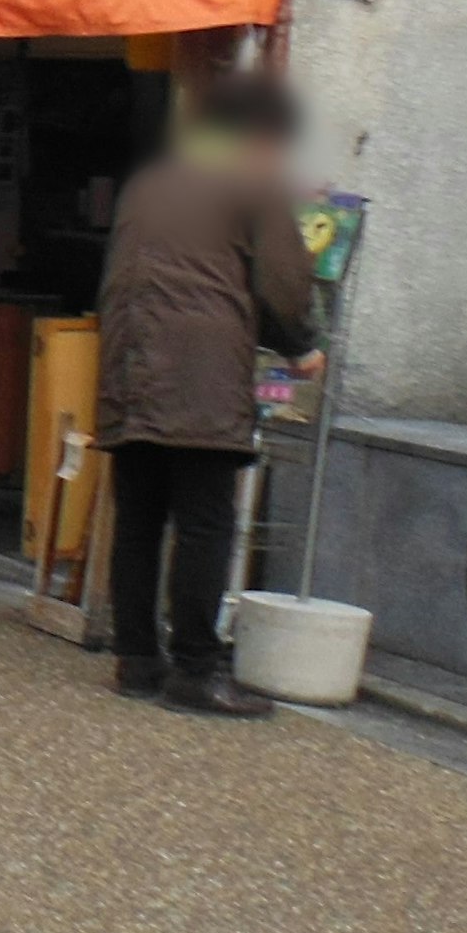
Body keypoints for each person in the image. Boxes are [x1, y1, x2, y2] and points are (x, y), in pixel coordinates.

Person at [94, 67, 319, 717]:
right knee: (204, 519)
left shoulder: (152, 180)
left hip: (129, 364)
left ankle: (136, 660)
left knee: (138, 516)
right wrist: (302, 344)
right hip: (199, 374)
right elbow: (282, 278)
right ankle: (196, 667)